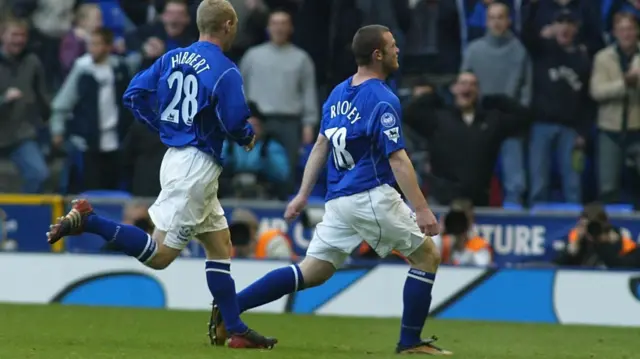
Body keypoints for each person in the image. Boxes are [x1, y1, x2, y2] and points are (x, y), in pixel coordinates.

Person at [45, 0, 276, 350]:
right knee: (161, 256)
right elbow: (233, 122)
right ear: (228, 25)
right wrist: (246, 136)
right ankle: (90, 220)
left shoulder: (172, 57)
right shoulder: (226, 69)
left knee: (220, 244)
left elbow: (133, 94)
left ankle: (235, 326)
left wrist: (163, 125)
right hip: (195, 168)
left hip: (178, 158)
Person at [208, 25, 452, 356]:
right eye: (393, 46)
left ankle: (230, 309)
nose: (398, 51)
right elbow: (398, 160)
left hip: (338, 199)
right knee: (427, 257)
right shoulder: (382, 97)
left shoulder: (338, 93)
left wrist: (303, 194)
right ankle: (410, 342)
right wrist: (422, 209)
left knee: (313, 271)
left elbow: (321, 145)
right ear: (377, 54)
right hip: (370, 195)